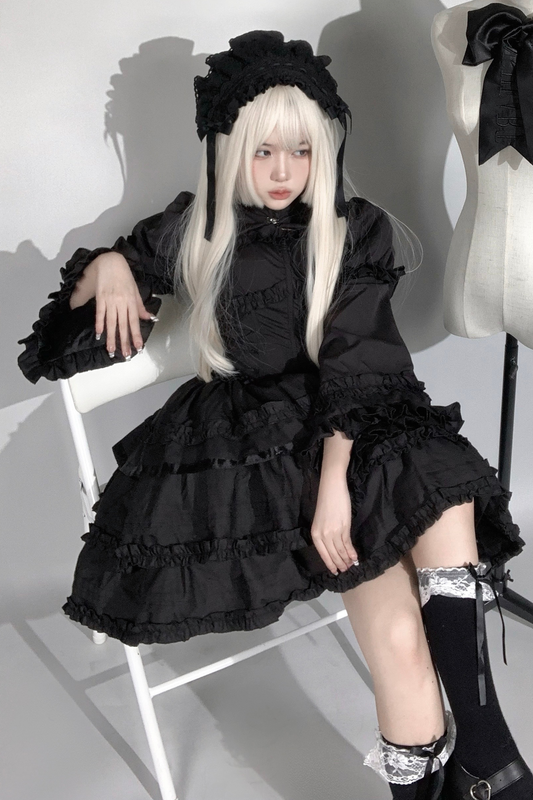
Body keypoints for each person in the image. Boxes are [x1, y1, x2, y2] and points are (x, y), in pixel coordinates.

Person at [17, 30, 532, 800]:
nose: (283, 171)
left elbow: (358, 361)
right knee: (397, 633)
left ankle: (490, 760)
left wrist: (337, 482)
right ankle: (474, 776)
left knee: (443, 491)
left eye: (300, 150)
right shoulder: (193, 228)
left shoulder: (353, 227)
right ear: (228, 151)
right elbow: (60, 345)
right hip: (270, 449)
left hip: (364, 420)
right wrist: (112, 265)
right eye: (262, 152)